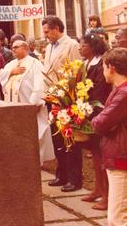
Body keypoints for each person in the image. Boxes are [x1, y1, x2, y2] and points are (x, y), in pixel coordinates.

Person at [42, 16, 82, 192]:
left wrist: (71, 97)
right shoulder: (49, 47)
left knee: (70, 140)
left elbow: (76, 73)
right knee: (57, 138)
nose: (45, 35)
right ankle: (62, 174)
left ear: (57, 28)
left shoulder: (72, 45)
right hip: (53, 99)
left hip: (67, 99)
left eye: (47, 31)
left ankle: (74, 178)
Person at [0, 40, 54, 164]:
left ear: (25, 48)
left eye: (16, 47)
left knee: (33, 134)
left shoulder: (35, 63)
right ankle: (19, 160)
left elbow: (40, 84)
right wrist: (11, 72)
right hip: (13, 106)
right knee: (16, 134)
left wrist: (35, 103)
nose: (13, 50)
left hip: (29, 105)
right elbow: (1, 76)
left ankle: (34, 163)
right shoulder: (10, 64)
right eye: (12, 47)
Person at [92, 48, 127, 225]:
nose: (103, 72)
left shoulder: (124, 93)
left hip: (122, 157)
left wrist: (99, 122)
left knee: (117, 217)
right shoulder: (121, 90)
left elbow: (100, 123)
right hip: (119, 154)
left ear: (112, 68)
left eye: (104, 67)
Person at [78, 33, 111, 210]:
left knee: (102, 154)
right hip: (88, 111)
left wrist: (89, 109)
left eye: (82, 45)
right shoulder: (85, 63)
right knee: (94, 154)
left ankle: (107, 195)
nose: (79, 48)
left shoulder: (100, 63)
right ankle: (97, 189)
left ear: (92, 47)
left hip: (98, 110)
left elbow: (99, 89)